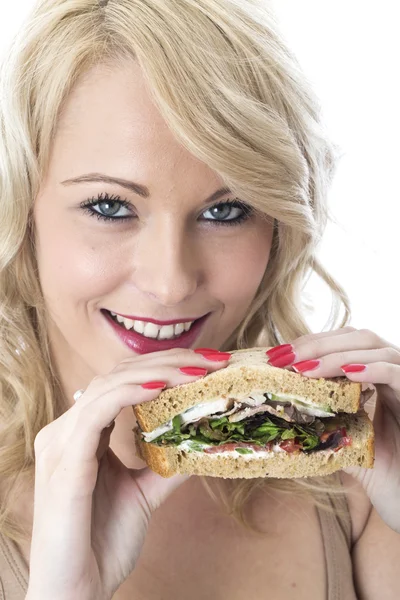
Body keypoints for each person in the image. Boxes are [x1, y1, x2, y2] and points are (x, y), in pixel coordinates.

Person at [0, 0, 399, 598]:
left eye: (226, 210)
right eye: (110, 207)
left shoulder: (359, 488)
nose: (170, 283)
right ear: (22, 216)